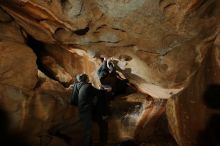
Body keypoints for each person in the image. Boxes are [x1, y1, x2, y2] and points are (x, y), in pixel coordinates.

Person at [69, 73, 111, 146]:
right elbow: (99, 93)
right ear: (85, 79)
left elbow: (73, 101)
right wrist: (107, 90)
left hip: (83, 110)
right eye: (87, 77)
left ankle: (96, 142)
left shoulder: (77, 86)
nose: (88, 79)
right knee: (88, 130)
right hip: (88, 110)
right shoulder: (88, 86)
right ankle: (100, 142)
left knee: (90, 128)